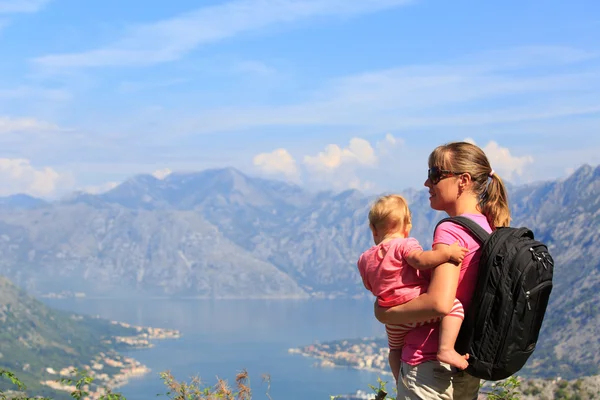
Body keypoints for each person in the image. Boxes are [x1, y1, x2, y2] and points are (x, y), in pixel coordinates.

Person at [374, 141, 510, 400]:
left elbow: (439, 303)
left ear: (463, 180)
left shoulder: (451, 230)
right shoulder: (489, 227)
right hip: (465, 363)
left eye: (434, 174)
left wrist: (384, 313)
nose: (427, 184)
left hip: (426, 364)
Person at [357, 194, 470, 384]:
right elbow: (420, 261)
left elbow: (370, 286)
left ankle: (399, 380)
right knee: (454, 307)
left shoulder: (364, 259)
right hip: (417, 307)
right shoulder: (404, 244)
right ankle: (446, 349)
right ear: (407, 226)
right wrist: (446, 253)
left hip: (393, 319)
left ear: (373, 229)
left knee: (394, 350)